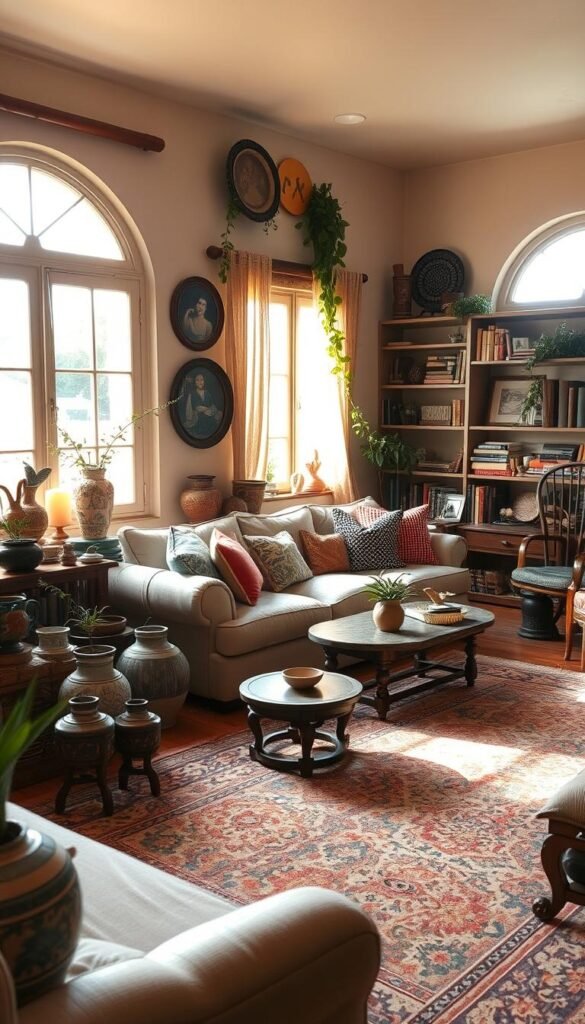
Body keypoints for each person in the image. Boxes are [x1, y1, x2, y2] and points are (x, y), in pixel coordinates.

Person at [185, 372, 222, 438]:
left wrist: (211, 410)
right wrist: (206, 409)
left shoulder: (207, 393)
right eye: (197, 380)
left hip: (209, 417)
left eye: (201, 380)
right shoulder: (192, 394)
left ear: (204, 381)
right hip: (198, 419)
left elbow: (212, 405)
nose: (200, 382)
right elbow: (193, 408)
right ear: (195, 382)